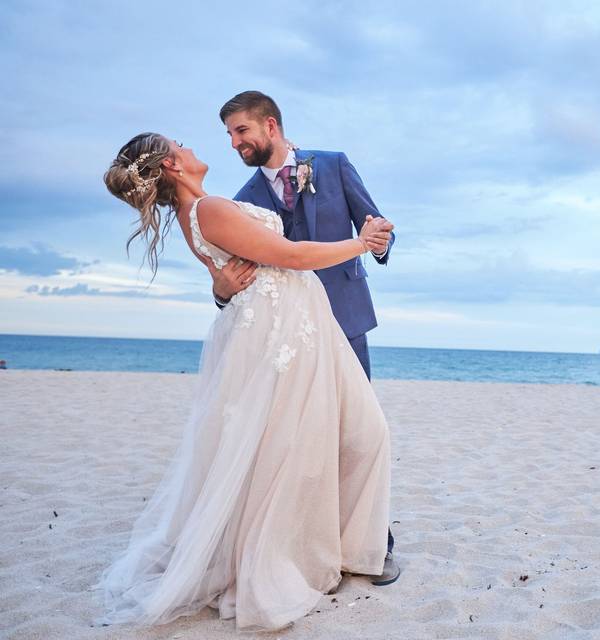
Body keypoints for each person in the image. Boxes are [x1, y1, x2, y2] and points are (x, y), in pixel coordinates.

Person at [99, 132, 395, 631]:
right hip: (285, 335)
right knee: (314, 444)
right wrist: (360, 243)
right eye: (181, 145)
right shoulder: (212, 208)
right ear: (172, 164)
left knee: (336, 438)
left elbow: (240, 269)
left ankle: (345, 547)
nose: (195, 147)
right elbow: (293, 256)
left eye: (239, 130)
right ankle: (297, 555)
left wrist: (222, 285)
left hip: (292, 326)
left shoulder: (201, 212)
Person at [208, 92, 399, 579]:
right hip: (289, 330)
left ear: (269, 125)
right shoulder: (242, 201)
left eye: (241, 131)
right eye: (229, 135)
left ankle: (376, 543)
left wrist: (379, 239)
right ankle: (309, 547)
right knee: (300, 439)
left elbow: (375, 225)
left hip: (346, 319)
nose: (234, 143)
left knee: (359, 433)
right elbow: (235, 276)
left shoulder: (333, 165)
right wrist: (222, 293)